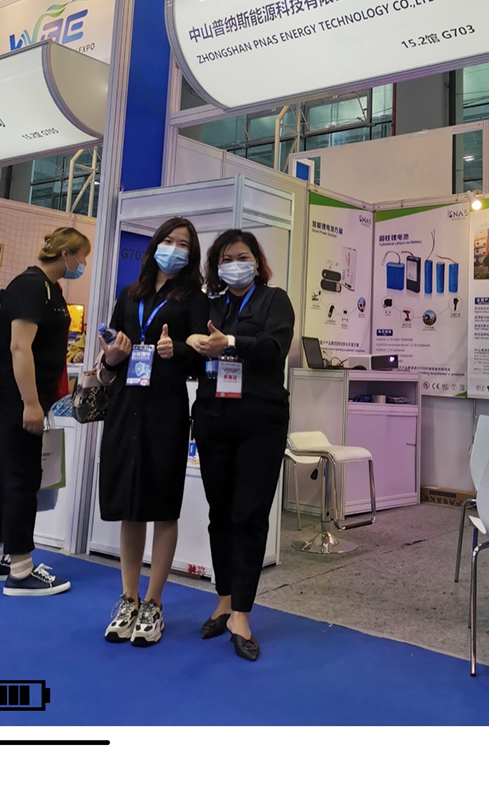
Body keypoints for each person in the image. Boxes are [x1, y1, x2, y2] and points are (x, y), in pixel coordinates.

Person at [187, 230, 295, 661]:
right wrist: (189, 344)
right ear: (216, 265)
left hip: (260, 424)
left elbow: (273, 348)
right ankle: (224, 600)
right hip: (213, 420)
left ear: (257, 261)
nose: (235, 264)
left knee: (249, 515)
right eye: (227, 258)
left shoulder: (274, 300)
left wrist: (230, 342)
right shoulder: (209, 305)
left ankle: (242, 615)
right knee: (220, 515)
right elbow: (190, 355)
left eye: (243, 256)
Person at [97, 217, 203, 646]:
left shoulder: (194, 299)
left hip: (166, 408)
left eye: (183, 244)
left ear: (191, 255)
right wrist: (111, 358)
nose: (173, 248)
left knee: (163, 503)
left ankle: (154, 602)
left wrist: (178, 350)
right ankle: (128, 597)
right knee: (130, 504)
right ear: (155, 244)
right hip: (125, 405)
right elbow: (108, 356)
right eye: (168, 240)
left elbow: (202, 357)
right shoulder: (130, 295)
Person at [0, 227, 91, 596]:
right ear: (66, 254)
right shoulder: (30, 286)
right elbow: (19, 348)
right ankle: (21, 567)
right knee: (22, 476)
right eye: (82, 256)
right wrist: (31, 403)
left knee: (4, 472)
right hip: (17, 397)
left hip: (22, 397)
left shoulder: (49, 289)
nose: (83, 264)